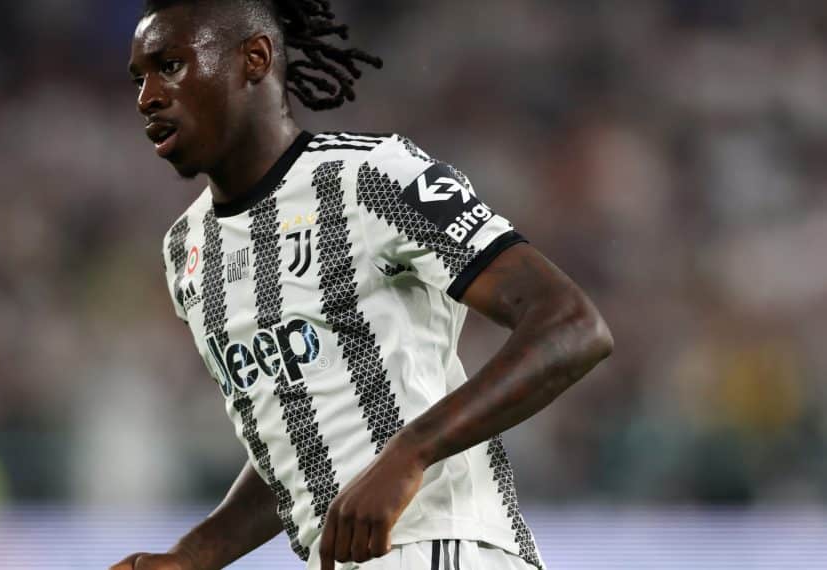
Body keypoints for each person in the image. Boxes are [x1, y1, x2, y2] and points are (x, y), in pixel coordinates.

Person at [113, 1, 613, 568]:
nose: (147, 96)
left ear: (255, 58)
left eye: (170, 66)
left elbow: (571, 324)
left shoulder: (372, 176)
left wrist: (410, 453)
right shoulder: (186, 251)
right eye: (139, 78)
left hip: (441, 545)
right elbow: (299, 441)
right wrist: (191, 555)